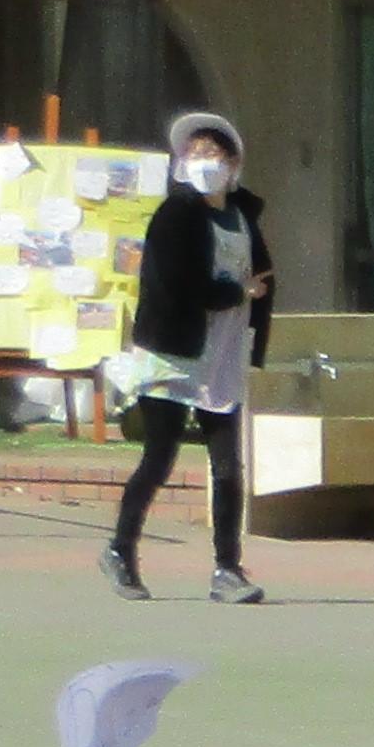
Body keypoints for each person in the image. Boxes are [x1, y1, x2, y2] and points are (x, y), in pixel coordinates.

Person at [103, 111, 271, 607]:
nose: (203, 163)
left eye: (212, 154)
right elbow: (174, 283)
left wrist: (254, 308)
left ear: (234, 163)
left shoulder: (243, 217)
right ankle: (120, 550)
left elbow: (264, 275)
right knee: (159, 458)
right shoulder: (175, 215)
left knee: (227, 468)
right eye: (194, 154)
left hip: (221, 355)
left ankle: (227, 568)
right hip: (173, 353)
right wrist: (234, 292)